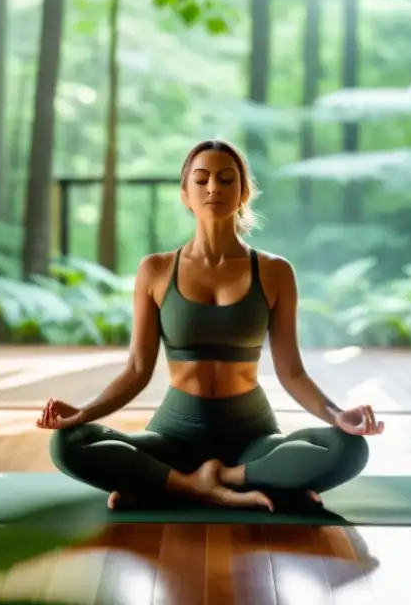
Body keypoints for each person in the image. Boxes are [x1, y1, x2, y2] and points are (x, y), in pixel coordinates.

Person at [37, 139, 383, 512]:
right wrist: (83, 414)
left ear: (244, 192)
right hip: (174, 436)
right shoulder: (155, 270)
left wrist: (337, 416)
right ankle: (201, 483)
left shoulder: (275, 271)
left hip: (251, 439)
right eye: (200, 180)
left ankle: (210, 480)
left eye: (225, 179)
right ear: (185, 194)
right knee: (66, 443)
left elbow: (292, 373)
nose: (213, 188)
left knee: (350, 448)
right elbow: (137, 369)